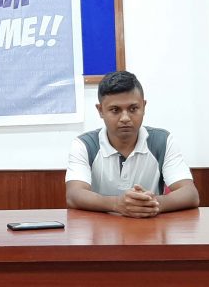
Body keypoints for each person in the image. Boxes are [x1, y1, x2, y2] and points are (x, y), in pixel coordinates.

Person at [65, 71, 199, 218]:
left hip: (149, 230)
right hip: (101, 233)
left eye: (133, 109)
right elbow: (74, 195)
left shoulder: (163, 141)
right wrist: (117, 204)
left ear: (144, 106)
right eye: (115, 110)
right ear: (100, 110)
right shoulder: (84, 145)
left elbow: (190, 194)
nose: (125, 118)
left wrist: (151, 203)